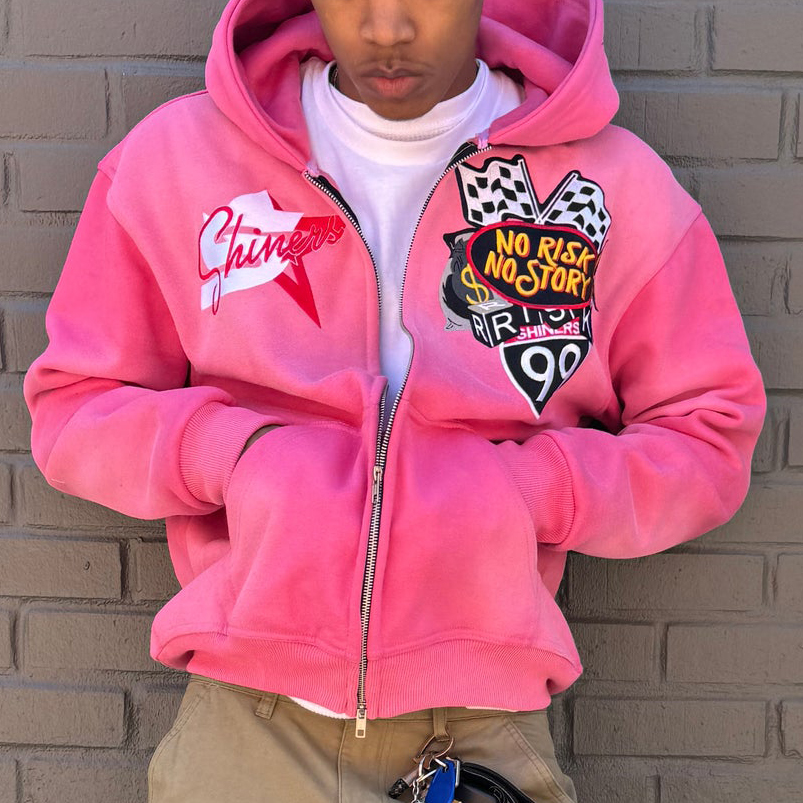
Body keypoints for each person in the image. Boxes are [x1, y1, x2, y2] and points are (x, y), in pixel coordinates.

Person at [24, 0, 765, 800]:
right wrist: (239, 459)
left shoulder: (614, 185)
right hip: (247, 723)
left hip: (478, 727)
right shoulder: (177, 159)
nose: (386, 27)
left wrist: (527, 490)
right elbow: (76, 405)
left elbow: (707, 436)